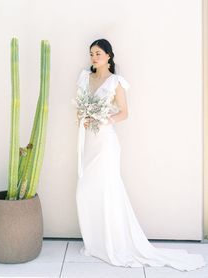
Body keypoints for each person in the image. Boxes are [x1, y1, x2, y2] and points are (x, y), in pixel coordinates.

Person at [75, 38, 206, 271]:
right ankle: (95, 242)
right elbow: (78, 108)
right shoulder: (85, 77)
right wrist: (83, 118)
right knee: (86, 188)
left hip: (106, 142)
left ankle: (113, 243)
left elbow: (124, 113)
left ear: (108, 56)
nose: (93, 57)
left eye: (98, 53)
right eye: (91, 54)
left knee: (107, 189)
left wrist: (103, 119)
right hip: (88, 142)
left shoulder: (115, 82)